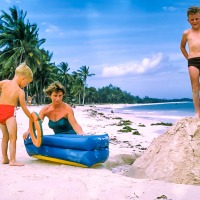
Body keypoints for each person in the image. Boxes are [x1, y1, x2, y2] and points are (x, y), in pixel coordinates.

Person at [0, 62, 33, 166]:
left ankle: (5, 158)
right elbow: (24, 107)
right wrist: (31, 117)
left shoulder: (4, 83)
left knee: (5, 137)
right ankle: (13, 160)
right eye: (26, 83)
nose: (25, 85)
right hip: (10, 114)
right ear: (23, 78)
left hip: (0, 111)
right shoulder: (20, 91)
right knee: (13, 137)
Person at [180, 6, 200, 118]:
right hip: (192, 61)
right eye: (192, 19)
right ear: (188, 20)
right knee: (195, 86)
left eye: (197, 18)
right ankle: (197, 112)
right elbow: (182, 47)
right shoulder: (186, 33)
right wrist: (188, 58)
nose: (195, 21)